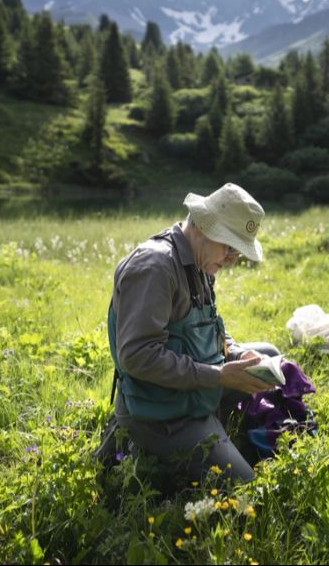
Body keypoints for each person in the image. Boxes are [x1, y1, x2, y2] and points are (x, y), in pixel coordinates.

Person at [107, 183, 278, 484]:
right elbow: (137, 356)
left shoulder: (200, 262)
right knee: (245, 489)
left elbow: (210, 331)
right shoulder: (155, 267)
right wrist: (219, 376)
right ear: (202, 226)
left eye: (237, 252)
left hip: (192, 390)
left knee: (268, 355)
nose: (231, 260)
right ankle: (136, 446)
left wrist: (235, 355)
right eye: (228, 247)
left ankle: (221, 427)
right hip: (161, 414)